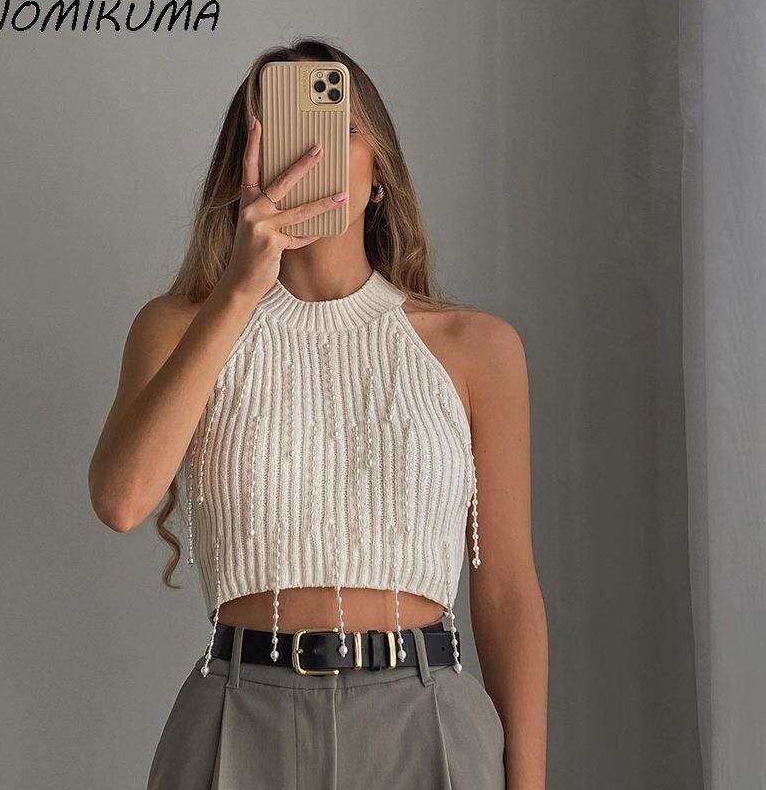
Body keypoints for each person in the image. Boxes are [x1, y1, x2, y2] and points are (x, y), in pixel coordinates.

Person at [88, 38, 548, 790]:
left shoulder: (478, 348)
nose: (309, 153)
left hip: (427, 721)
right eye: (282, 130)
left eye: (340, 129)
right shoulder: (179, 328)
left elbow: (506, 593)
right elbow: (121, 499)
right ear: (244, 165)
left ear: (379, 174)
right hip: (238, 715)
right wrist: (239, 290)